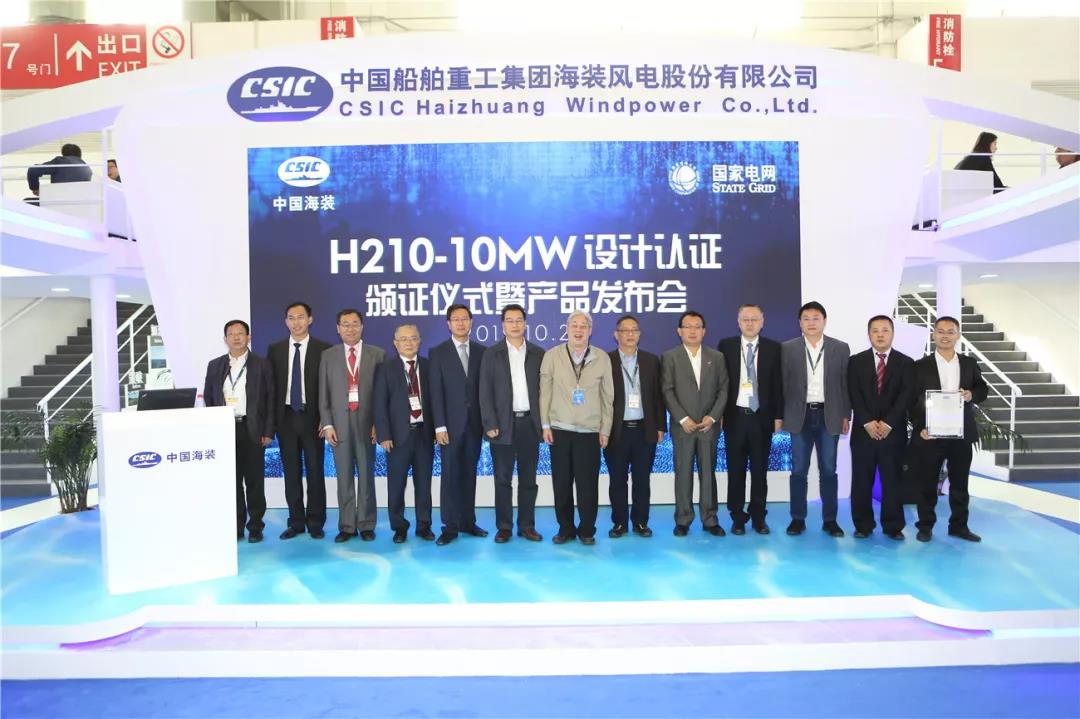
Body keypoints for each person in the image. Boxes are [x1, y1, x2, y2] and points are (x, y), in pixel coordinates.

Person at [909, 316, 989, 543]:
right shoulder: (919, 366)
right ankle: (925, 526)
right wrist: (920, 427)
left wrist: (971, 394)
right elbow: (911, 400)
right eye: (941, 331)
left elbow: (982, 389)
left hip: (960, 434)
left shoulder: (969, 363)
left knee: (960, 483)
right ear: (933, 334)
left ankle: (959, 526)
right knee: (927, 483)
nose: (945, 336)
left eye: (950, 331)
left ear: (958, 335)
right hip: (930, 434)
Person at [540, 310, 614, 545]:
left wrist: (605, 429)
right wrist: (545, 424)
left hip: (589, 432)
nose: (579, 330)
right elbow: (545, 393)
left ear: (590, 331)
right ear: (567, 329)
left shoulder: (602, 358)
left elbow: (608, 396)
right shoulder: (552, 356)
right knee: (561, 484)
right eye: (575, 325)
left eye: (584, 326)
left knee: (587, 485)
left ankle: (587, 530)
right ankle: (565, 529)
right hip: (559, 429)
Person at [781, 301, 851, 538]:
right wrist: (781, 416)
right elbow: (782, 384)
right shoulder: (788, 348)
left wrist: (846, 414)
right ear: (799, 323)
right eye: (806, 319)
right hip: (798, 416)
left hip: (829, 415)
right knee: (799, 469)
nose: (811, 323)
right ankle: (797, 519)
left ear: (824, 321)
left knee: (829, 469)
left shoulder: (840, 348)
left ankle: (830, 520)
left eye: (816, 318)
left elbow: (845, 384)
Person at [202, 320, 274, 543]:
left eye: (240, 333)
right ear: (225, 339)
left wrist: (268, 431)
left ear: (248, 337)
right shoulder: (215, 366)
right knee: (231, 482)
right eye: (231, 334)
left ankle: (255, 526)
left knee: (254, 482)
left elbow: (271, 400)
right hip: (225, 429)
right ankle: (236, 526)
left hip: (253, 429)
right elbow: (209, 397)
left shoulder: (262, 364)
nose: (236, 337)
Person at [478, 304, 545, 543]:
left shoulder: (538, 353)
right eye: (510, 320)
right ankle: (504, 526)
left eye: (519, 320)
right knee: (502, 479)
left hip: (530, 424)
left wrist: (544, 424)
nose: (515, 325)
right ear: (503, 325)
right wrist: (489, 423)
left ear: (525, 324)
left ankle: (527, 525)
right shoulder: (492, 353)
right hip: (502, 425)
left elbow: (545, 391)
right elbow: (484, 391)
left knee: (529, 479)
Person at [318, 309, 386, 543]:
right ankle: (347, 526)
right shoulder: (328, 355)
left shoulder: (378, 354)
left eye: (355, 324)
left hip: (368, 425)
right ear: (338, 328)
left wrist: (379, 423)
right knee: (343, 476)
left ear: (362, 326)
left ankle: (366, 524)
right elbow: (323, 393)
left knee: (367, 476)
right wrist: (327, 423)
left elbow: (383, 394)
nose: (350, 328)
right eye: (345, 324)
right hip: (339, 425)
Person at [661, 310, 729, 537]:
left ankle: (710, 519)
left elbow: (724, 389)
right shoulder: (670, 357)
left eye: (697, 326)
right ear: (679, 331)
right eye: (688, 326)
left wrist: (713, 417)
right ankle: (683, 519)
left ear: (704, 331)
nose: (692, 331)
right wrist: (682, 418)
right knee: (683, 474)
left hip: (709, 426)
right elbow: (667, 390)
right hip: (683, 427)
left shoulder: (716, 357)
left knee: (708, 473)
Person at [266, 302, 331, 540]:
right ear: (286, 322)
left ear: (310, 319)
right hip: (286, 418)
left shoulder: (324, 349)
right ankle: (295, 522)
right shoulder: (275, 349)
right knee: (291, 472)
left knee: (315, 471)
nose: (296, 322)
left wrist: (326, 419)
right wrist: (272, 423)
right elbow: (271, 388)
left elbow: (329, 388)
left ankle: (315, 522)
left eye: (301, 317)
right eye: (291, 318)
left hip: (313, 418)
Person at [717, 304, 783, 535]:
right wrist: (719, 414)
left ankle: (758, 516)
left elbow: (778, 385)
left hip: (761, 419)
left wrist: (778, 416)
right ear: (738, 322)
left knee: (759, 471)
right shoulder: (726, 346)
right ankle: (737, 517)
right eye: (745, 319)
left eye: (754, 319)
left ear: (762, 322)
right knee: (735, 472)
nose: (750, 323)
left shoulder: (774, 348)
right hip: (735, 417)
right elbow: (720, 383)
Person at [847, 315, 915, 540]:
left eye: (885, 330)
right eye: (875, 330)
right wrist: (867, 422)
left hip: (893, 433)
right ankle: (862, 525)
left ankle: (893, 526)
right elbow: (854, 393)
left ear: (892, 333)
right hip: (863, 432)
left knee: (892, 481)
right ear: (869, 335)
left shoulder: (906, 363)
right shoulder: (856, 361)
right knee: (861, 481)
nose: (880, 334)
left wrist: (888, 423)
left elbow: (906, 396)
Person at [428, 304, 488, 546]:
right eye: (456, 319)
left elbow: (486, 390)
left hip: (475, 425)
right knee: (450, 475)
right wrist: (439, 426)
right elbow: (435, 392)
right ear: (448, 324)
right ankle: (449, 526)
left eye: (465, 319)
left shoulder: (482, 351)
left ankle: (468, 521)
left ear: (471, 322)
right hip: (449, 427)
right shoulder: (438, 352)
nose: (461, 323)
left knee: (469, 474)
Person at [604, 314, 665, 538]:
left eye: (634, 330)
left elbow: (658, 396)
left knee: (642, 479)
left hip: (644, 430)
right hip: (616, 431)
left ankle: (640, 522)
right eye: (625, 330)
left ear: (639, 334)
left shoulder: (651, 360)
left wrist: (660, 426)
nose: (630, 334)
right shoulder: (606, 360)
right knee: (617, 480)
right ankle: (619, 523)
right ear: (616, 335)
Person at [374, 324, 435, 544]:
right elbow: (379, 404)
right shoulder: (385, 368)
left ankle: (424, 525)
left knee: (424, 485)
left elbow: (436, 401)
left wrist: (437, 430)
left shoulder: (429, 366)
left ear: (419, 341)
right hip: (397, 438)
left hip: (424, 435)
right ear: (395, 343)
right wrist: (384, 435)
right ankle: (399, 527)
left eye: (413, 338)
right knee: (396, 485)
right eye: (404, 339)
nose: (409, 343)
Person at [26, 143, 92, 196]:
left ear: (63, 154)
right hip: (80, 204)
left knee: (26, 202)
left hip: (59, 201)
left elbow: (33, 170)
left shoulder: (60, 161)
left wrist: (35, 188)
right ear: (79, 155)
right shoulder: (87, 169)